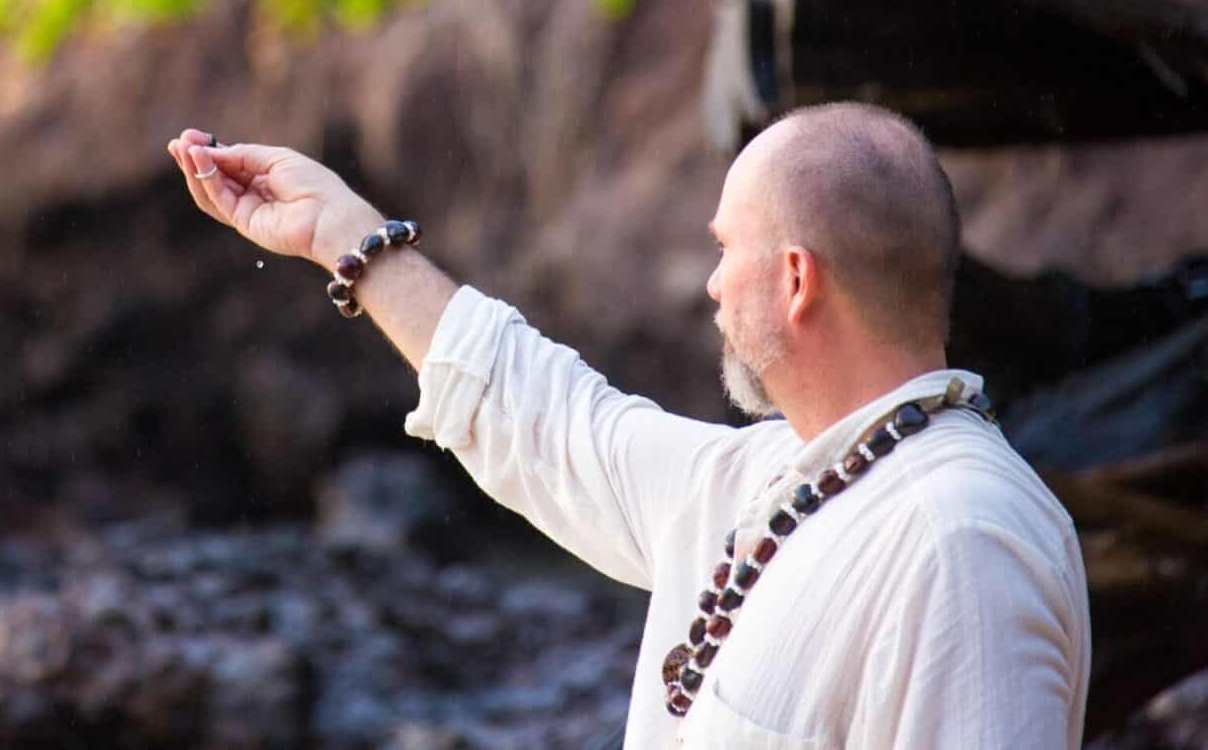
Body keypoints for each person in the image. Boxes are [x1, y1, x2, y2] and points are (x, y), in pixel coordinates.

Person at [166, 102, 1091, 748]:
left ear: (797, 279)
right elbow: (553, 420)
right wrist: (343, 232)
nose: (711, 282)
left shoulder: (959, 544)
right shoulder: (777, 478)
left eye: (728, 249)